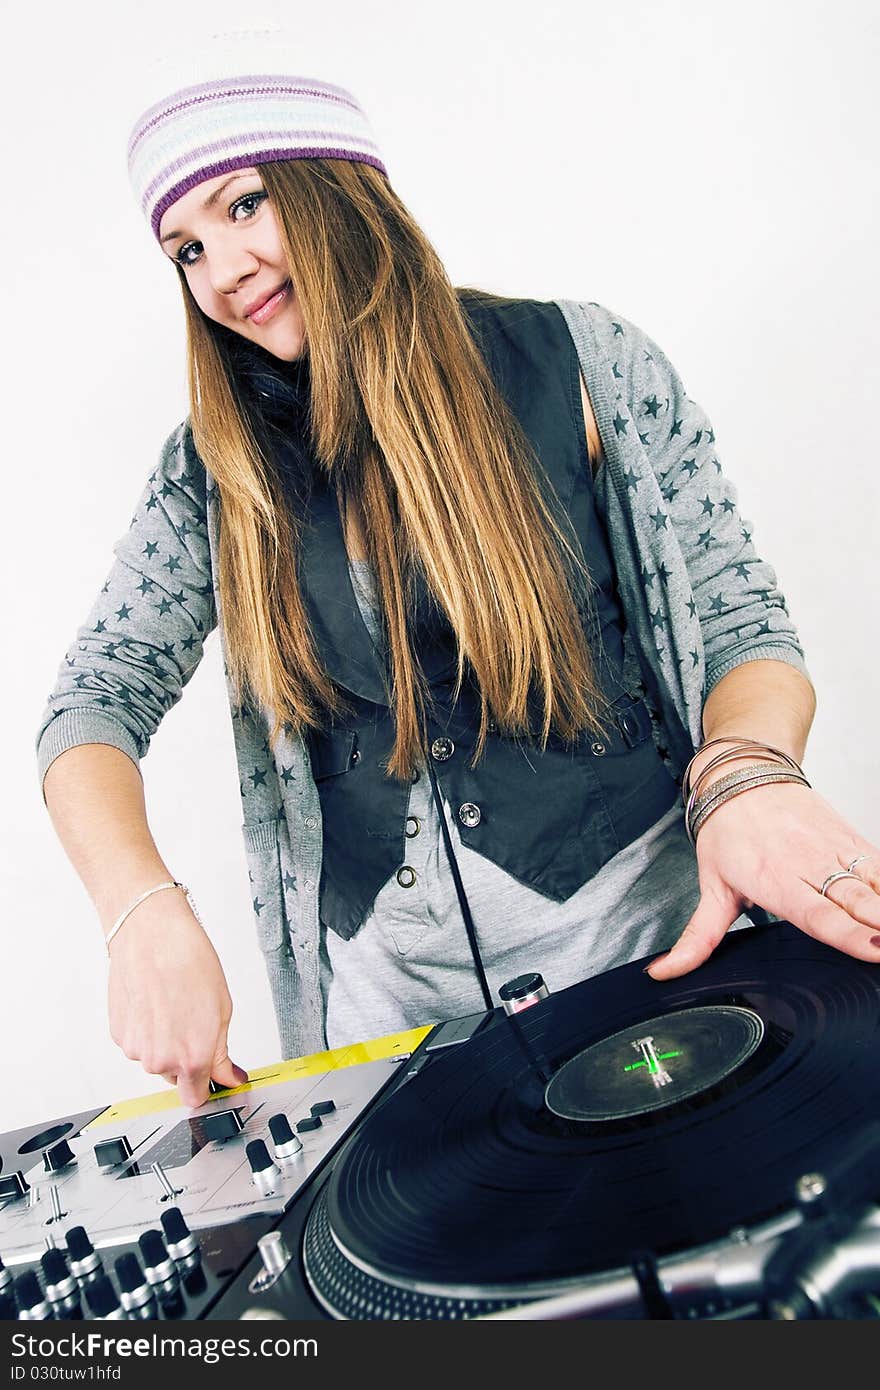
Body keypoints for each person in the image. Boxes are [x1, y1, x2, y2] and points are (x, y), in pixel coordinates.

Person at [36, 36, 880, 1112]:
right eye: (185, 250)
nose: (224, 268)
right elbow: (91, 702)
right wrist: (138, 907)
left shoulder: (586, 363)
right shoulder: (210, 476)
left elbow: (740, 622)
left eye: (243, 206)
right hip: (394, 1028)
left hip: (653, 951)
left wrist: (747, 773)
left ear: (342, 190)